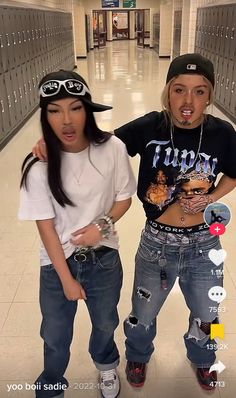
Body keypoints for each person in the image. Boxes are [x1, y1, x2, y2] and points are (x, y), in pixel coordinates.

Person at [32, 54, 236, 391]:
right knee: (142, 312)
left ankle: (204, 357)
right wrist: (51, 141)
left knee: (210, 314)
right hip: (157, 244)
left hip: (205, 245)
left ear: (210, 95)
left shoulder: (223, 133)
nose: (188, 101)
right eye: (179, 90)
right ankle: (138, 355)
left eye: (200, 92)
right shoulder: (150, 126)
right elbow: (99, 144)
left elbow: (232, 174)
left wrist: (212, 197)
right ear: (167, 91)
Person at [19, 69, 136, 398]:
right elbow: (45, 228)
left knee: (105, 323)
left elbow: (123, 198)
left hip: (104, 259)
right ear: (44, 115)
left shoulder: (112, 148)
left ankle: (106, 364)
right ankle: (52, 384)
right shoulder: (37, 165)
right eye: (54, 110)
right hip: (57, 265)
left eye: (75, 107)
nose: (66, 120)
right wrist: (67, 279)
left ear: (88, 109)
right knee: (55, 334)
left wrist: (101, 226)